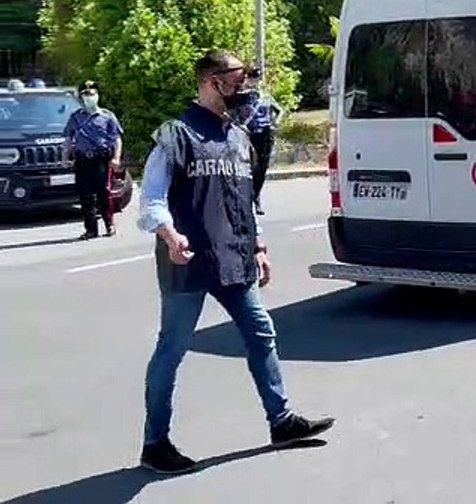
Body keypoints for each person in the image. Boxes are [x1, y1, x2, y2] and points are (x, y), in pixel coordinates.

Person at [136, 50, 333, 475]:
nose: (245, 90)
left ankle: (281, 422)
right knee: (172, 349)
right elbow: (151, 198)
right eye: (237, 81)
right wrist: (168, 234)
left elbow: (244, 201)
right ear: (211, 82)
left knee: (261, 332)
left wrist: (258, 246)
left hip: (234, 259)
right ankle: (155, 444)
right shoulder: (176, 135)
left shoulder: (239, 138)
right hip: (187, 260)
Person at [63, 81, 123, 239]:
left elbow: (116, 139)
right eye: (85, 94)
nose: (89, 97)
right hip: (83, 160)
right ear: (81, 97)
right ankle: (91, 229)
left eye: (92, 94)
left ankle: (109, 225)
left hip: (101, 160)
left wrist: (116, 158)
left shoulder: (107, 116)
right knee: (85, 196)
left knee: (104, 194)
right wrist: (65, 156)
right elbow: (69, 138)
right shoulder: (75, 117)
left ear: (97, 95)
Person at [238, 68, 283, 215]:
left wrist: (275, 122)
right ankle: (246, 198)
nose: (254, 81)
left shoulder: (264, 97)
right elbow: (232, 114)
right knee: (248, 167)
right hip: (248, 135)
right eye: (251, 77)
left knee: (262, 168)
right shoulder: (241, 97)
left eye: (256, 78)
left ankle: (256, 197)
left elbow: (279, 111)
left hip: (265, 133)